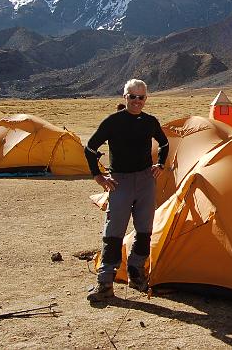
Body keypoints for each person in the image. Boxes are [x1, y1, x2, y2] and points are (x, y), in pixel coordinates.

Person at [84, 79, 169, 302]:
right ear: (125, 97)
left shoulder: (150, 121)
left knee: (144, 230)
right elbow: (91, 148)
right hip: (119, 181)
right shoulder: (113, 122)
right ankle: (105, 284)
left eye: (141, 97)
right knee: (113, 233)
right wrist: (98, 176)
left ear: (146, 99)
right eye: (133, 96)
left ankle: (136, 274)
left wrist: (160, 164)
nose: (137, 101)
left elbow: (164, 143)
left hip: (145, 181)